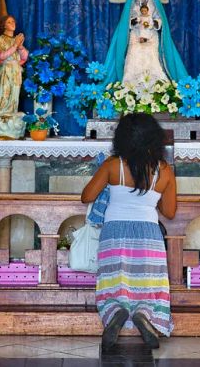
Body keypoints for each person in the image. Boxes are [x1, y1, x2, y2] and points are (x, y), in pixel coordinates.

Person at [81, 113, 177, 350]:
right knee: (148, 282)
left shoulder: (114, 165)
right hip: (148, 234)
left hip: (115, 232)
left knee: (115, 279)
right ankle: (144, 315)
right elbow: (170, 211)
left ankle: (115, 312)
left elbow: (87, 196)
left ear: (121, 138)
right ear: (155, 138)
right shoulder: (163, 170)